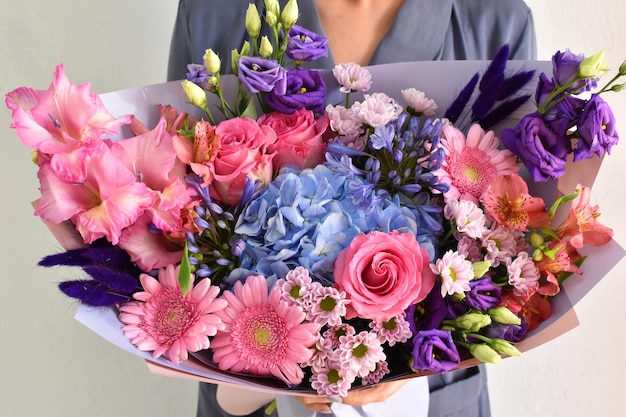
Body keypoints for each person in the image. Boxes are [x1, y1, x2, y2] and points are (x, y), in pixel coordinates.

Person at [166, 1, 537, 416]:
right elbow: (177, 203)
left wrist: (404, 366)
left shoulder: (497, 21)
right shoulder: (211, 12)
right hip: (253, 390)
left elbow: (516, 222)